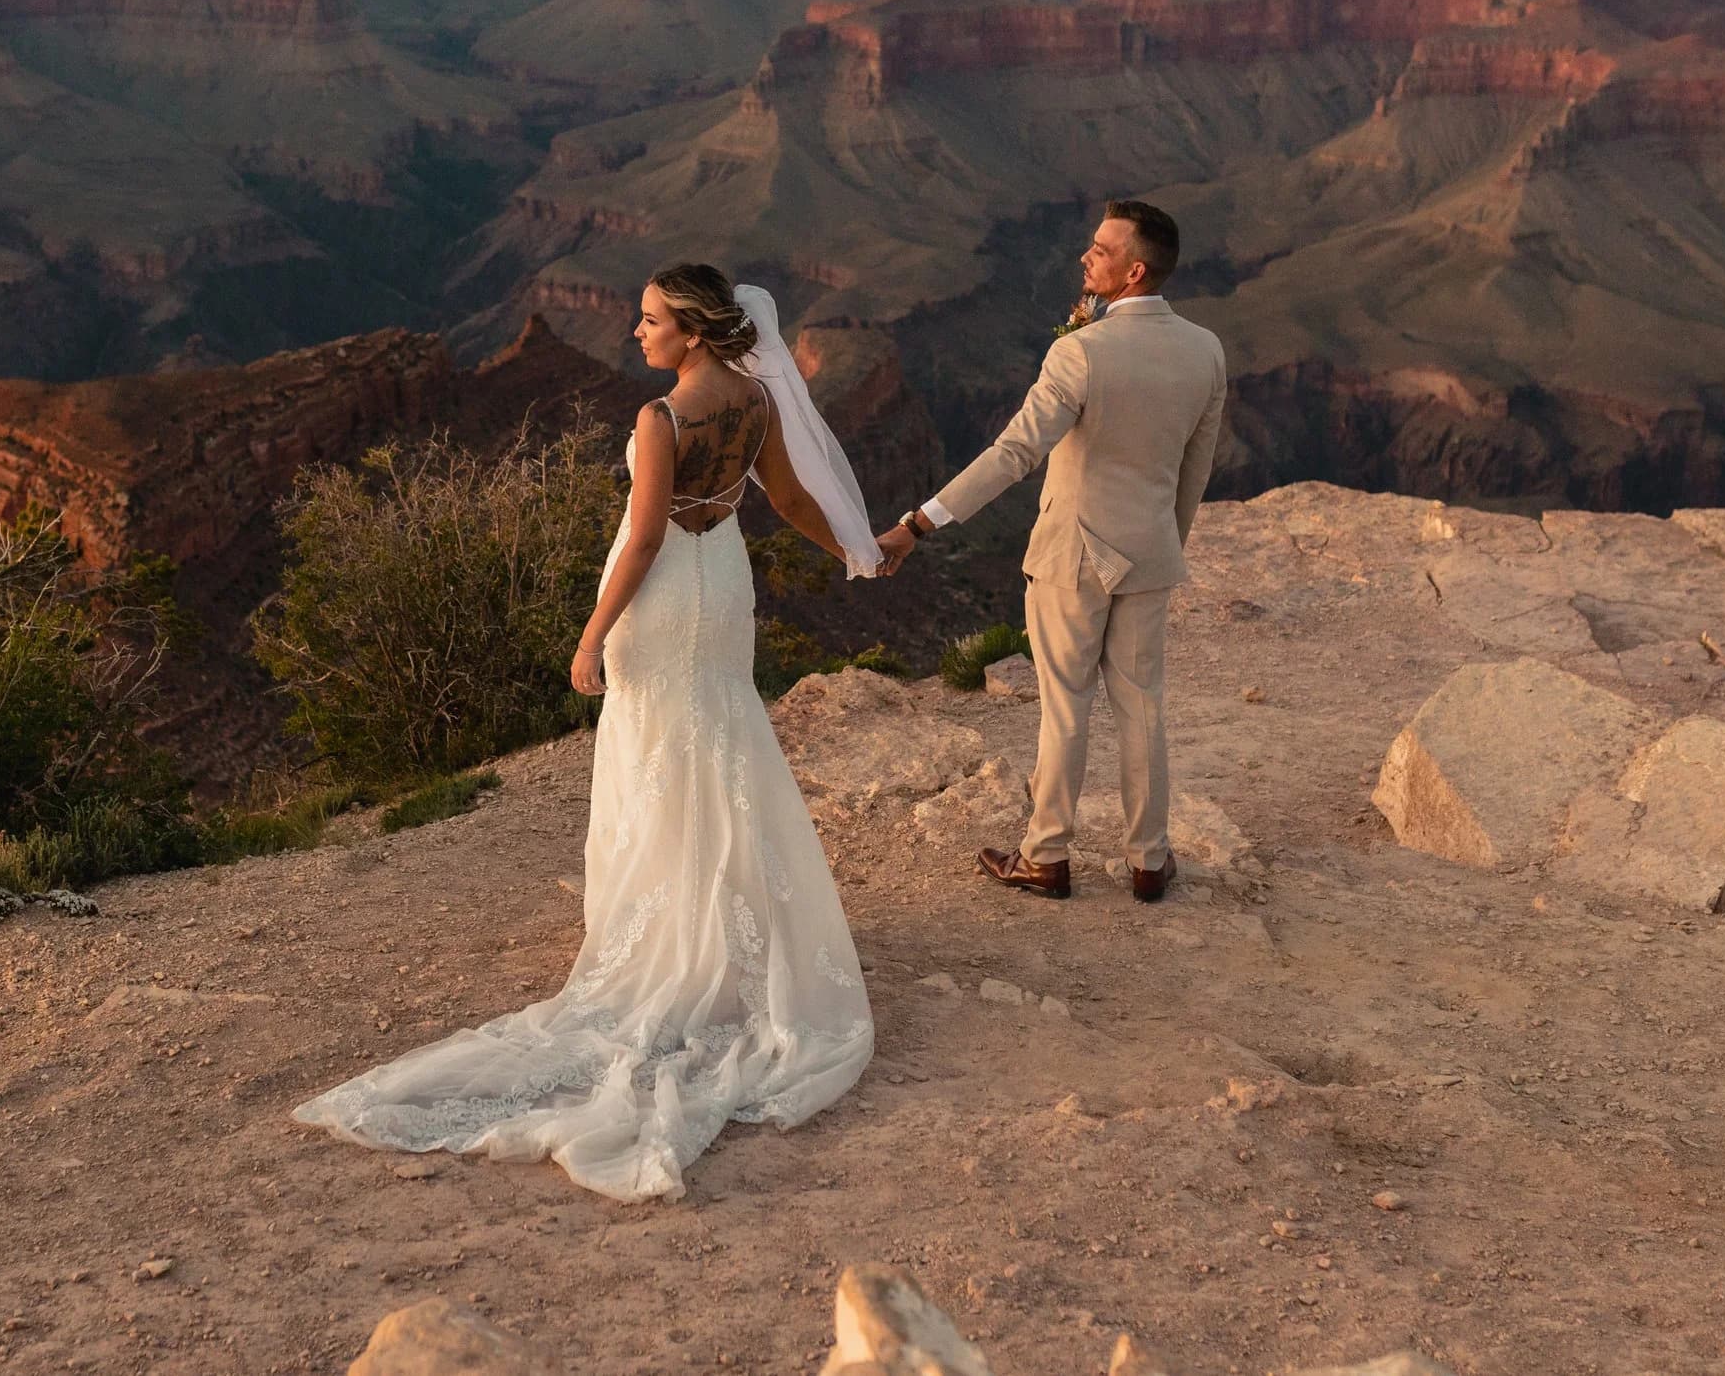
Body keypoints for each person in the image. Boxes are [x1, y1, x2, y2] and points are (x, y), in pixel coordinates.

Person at [294, 265, 882, 1202]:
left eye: (648, 320)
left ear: (690, 331)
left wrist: (591, 633)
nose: (634, 334)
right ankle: (730, 939)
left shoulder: (661, 421)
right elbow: (792, 503)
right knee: (721, 745)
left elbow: (644, 537)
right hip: (724, 588)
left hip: (658, 596)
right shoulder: (760, 402)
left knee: (657, 759)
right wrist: (858, 544)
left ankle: (672, 945)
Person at [876, 200, 1226, 904]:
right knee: (1143, 709)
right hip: (1150, 552)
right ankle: (1150, 861)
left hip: (1072, 557)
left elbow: (1014, 454)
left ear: (1132, 270)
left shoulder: (1080, 351)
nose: (1084, 259)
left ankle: (1046, 857)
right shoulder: (1205, 350)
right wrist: (1165, 546)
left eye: (1099, 251)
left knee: (1065, 710)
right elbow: (1196, 470)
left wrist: (919, 523)